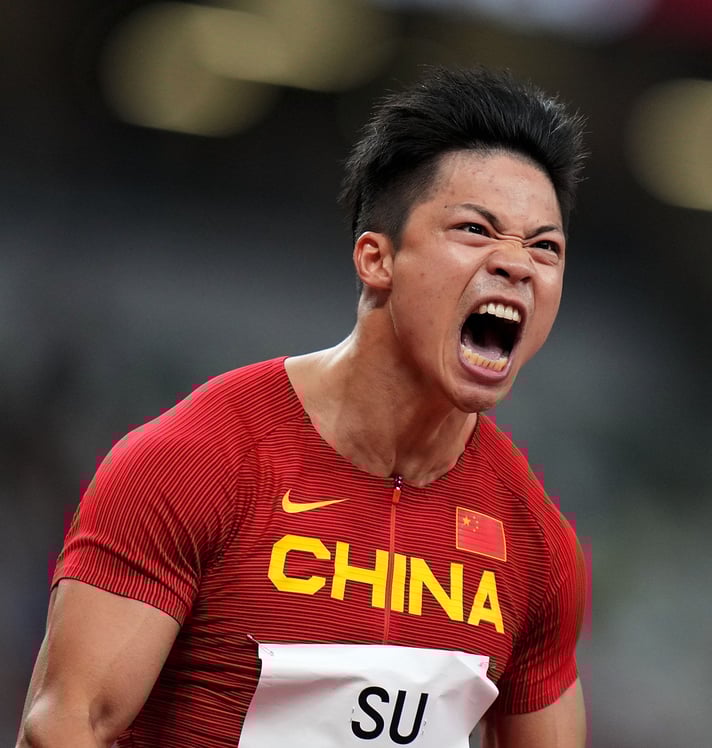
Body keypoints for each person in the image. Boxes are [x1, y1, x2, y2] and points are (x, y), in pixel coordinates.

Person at [16, 66, 589, 747]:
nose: (517, 264)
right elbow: (66, 728)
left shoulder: (535, 545)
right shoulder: (196, 463)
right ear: (376, 259)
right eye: (475, 230)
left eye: (544, 246)